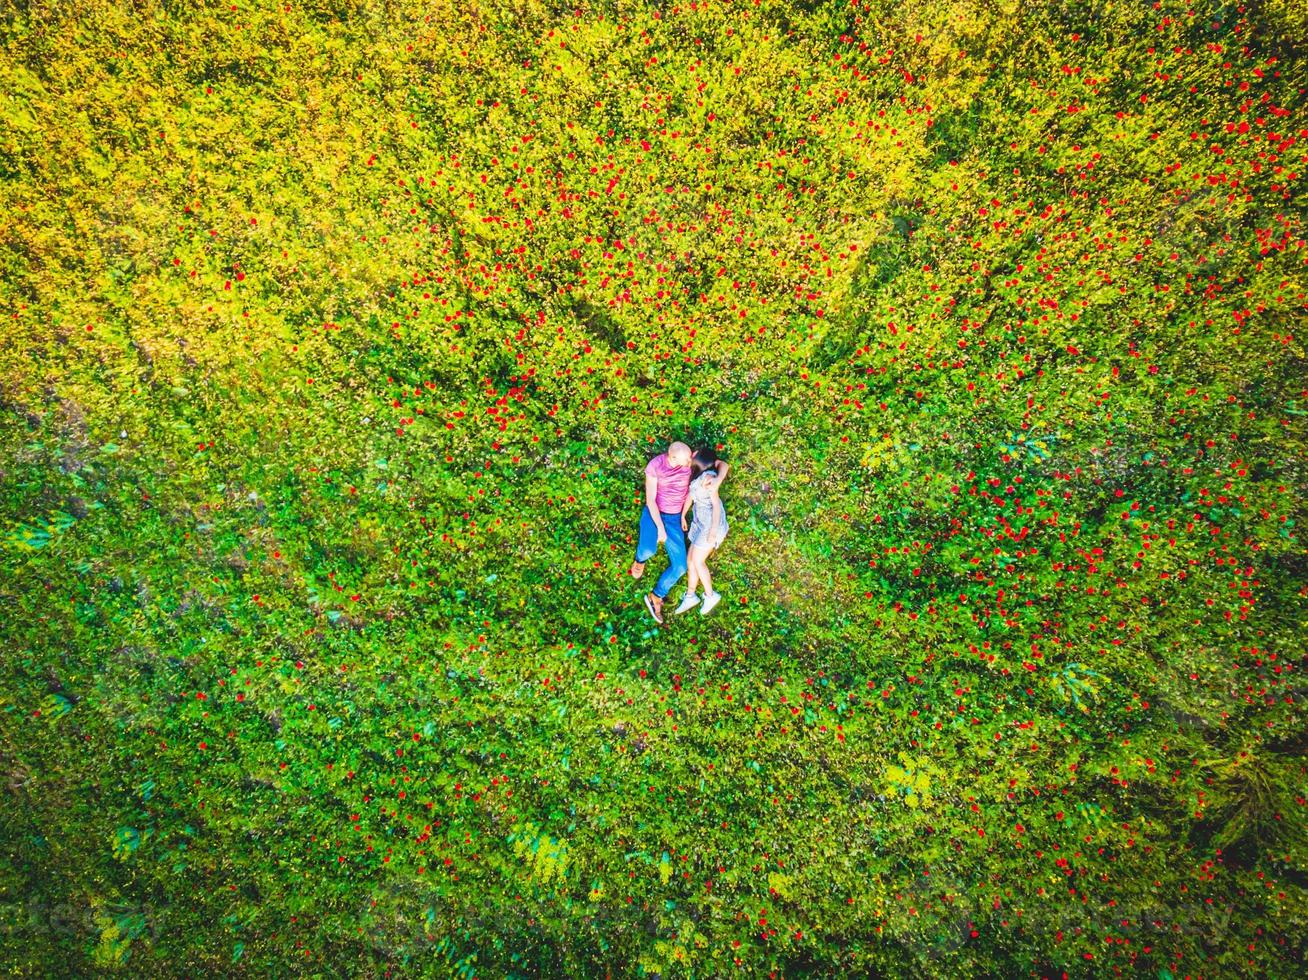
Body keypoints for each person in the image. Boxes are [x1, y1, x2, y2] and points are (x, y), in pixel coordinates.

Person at [630, 441, 729, 624]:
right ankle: (639, 560)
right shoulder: (655, 466)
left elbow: (723, 464)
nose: (689, 463)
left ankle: (656, 596)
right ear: (673, 457)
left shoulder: (693, 463)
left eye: (691, 457)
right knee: (648, 550)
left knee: (681, 566)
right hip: (655, 513)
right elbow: (650, 500)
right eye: (686, 460)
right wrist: (660, 527)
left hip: (674, 518)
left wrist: (718, 480)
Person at [673, 448, 729, 616]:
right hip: (700, 524)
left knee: (698, 562)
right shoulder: (696, 478)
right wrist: (683, 515)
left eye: (695, 453)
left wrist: (712, 531)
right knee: (690, 561)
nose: (693, 453)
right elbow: (690, 496)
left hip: (711, 525)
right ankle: (690, 596)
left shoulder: (708, 478)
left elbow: (716, 505)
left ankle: (710, 595)